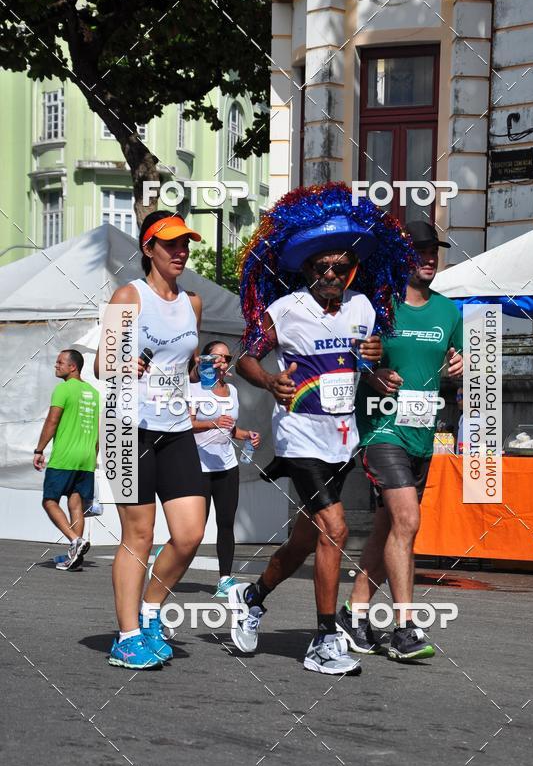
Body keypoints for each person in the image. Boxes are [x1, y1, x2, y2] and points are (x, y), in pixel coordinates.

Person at [228, 182, 415, 674]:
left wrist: (377, 371)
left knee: (306, 539)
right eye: (321, 267)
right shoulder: (286, 310)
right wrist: (270, 382)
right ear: (307, 269)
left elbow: (361, 364)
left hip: (341, 439)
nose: (331, 274)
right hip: (299, 436)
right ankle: (324, 639)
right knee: (336, 528)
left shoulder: (362, 308)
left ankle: (252, 597)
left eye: (340, 267)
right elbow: (245, 358)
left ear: (351, 270)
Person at [337, 220, 463, 661]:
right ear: (403, 256)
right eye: (421, 251)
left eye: (434, 251)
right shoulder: (378, 306)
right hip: (381, 428)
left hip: (422, 432)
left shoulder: (449, 312)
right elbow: (347, 360)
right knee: (407, 520)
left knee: (390, 526)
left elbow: (456, 365)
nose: (429, 258)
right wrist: (373, 374)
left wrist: (460, 368)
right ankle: (406, 627)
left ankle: (353, 612)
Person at [94, 211, 207, 670]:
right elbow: (101, 365)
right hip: (127, 428)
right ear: (149, 249)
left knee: (190, 533)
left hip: (176, 428)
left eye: (185, 244)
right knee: (139, 535)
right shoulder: (129, 295)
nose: (181, 252)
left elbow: (186, 364)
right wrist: (125, 364)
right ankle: (126, 638)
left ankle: (151, 610)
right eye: (171, 245)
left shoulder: (193, 303)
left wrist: (202, 371)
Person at [189, 340, 260, 598]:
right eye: (216, 357)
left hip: (227, 465)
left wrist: (246, 435)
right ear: (204, 360)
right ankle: (167, 558)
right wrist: (213, 423)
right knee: (194, 530)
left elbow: (230, 428)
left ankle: (224, 579)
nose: (222, 362)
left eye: (226, 358)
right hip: (198, 465)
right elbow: (186, 424)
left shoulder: (232, 390)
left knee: (226, 523)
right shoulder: (194, 389)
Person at [34, 349, 100, 571]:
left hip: (65, 456)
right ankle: (75, 555)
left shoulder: (63, 389)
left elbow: (52, 421)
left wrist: (39, 449)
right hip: (87, 457)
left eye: (60, 362)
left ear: (73, 367)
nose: (56, 365)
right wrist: (93, 457)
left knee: (49, 501)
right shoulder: (93, 392)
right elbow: (97, 430)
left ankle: (75, 540)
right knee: (75, 505)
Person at [456, 386, 464, 455]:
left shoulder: (480, 417)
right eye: (457, 397)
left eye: (460, 397)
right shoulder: (462, 418)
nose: (457, 400)